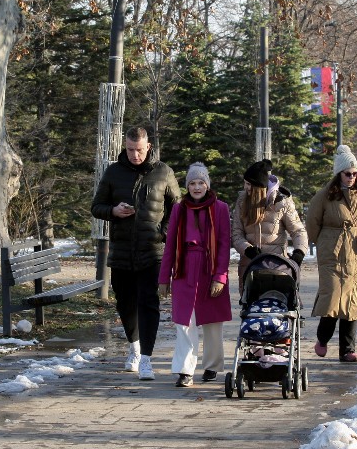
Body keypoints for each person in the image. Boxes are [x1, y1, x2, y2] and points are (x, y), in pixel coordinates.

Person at [91, 126, 180, 380]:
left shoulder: (163, 171)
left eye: (139, 150)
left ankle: (147, 360)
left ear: (148, 146)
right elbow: (96, 206)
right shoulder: (114, 171)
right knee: (125, 303)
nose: (135, 155)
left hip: (152, 251)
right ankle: (135, 347)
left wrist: (162, 233)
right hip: (120, 250)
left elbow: (177, 208)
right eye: (130, 150)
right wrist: (113, 211)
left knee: (149, 303)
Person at [158, 163, 231, 387]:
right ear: (187, 186)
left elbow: (224, 245)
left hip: (210, 268)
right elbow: (170, 245)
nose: (197, 187)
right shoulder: (179, 209)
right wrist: (163, 278)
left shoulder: (220, 208)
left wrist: (220, 276)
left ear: (207, 185)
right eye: (192, 183)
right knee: (184, 322)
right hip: (184, 267)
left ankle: (211, 366)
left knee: (212, 321)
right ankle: (185, 370)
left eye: (201, 182)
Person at [305, 145, 357, 362]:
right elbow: (312, 222)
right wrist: (323, 242)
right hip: (332, 251)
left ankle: (347, 350)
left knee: (353, 302)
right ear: (338, 174)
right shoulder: (325, 195)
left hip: (355, 253)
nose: (352, 177)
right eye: (347, 173)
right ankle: (323, 338)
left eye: (355, 173)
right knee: (333, 297)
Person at [231, 159, 308, 292]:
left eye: (249, 184)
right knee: (251, 310)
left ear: (258, 187)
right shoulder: (242, 201)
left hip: (277, 268)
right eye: (244, 183)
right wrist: (247, 249)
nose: (245, 187)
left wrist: (299, 252)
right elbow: (237, 233)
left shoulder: (282, 203)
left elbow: (298, 231)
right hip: (250, 267)